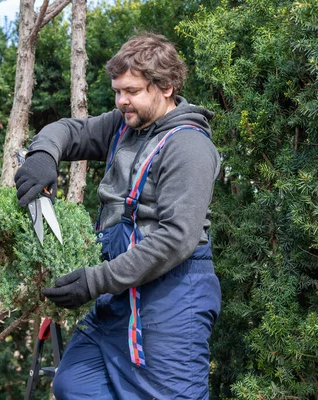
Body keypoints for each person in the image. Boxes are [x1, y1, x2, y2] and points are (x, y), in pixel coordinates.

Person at [14, 32, 221, 399]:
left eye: (133, 91)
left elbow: (176, 238)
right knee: (73, 383)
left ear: (167, 86)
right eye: (117, 91)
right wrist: (43, 155)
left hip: (170, 303)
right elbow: (68, 130)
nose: (122, 100)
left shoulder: (189, 146)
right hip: (118, 297)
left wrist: (95, 282)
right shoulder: (123, 125)